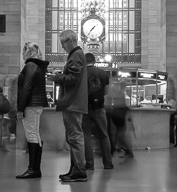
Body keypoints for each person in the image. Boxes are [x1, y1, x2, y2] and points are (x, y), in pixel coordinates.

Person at [50, 29, 88, 183]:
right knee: (73, 136)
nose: (62, 46)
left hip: (73, 102)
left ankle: (79, 170)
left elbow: (73, 77)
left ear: (70, 41)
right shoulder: (77, 55)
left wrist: (57, 77)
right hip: (74, 102)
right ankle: (75, 169)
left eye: (62, 43)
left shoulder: (76, 55)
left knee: (75, 136)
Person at [16, 41, 49, 179]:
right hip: (37, 104)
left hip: (30, 104)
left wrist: (20, 108)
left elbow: (26, 88)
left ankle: (33, 169)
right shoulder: (38, 66)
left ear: (26, 51)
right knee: (35, 134)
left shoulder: (30, 65)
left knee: (31, 135)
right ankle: (35, 169)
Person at [82, 52, 113, 170]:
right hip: (99, 108)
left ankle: (89, 164)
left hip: (85, 108)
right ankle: (108, 163)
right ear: (94, 61)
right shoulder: (103, 74)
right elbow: (106, 92)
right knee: (104, 136)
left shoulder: (82, 73)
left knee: (87, 136)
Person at [107, 81, 134, 159]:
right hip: (119, 120)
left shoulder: (119, 95)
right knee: (118, 136)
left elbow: (123, 108)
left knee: (120, 136)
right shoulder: (119, 95)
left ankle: (129, 151)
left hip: (120, 120)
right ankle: (126, 151)